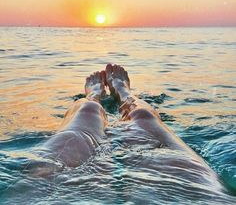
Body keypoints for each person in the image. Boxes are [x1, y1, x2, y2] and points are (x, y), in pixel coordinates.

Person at [29, 64, 225, 193]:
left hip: (54, 192)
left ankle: (93, 97)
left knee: (87, 114)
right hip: (198, 191)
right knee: (144, 118)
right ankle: (124, 93)